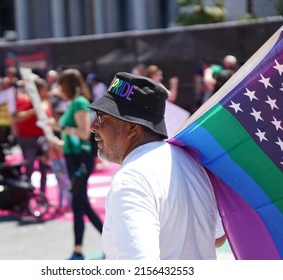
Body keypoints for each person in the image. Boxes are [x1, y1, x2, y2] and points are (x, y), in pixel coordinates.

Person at [88, 72, 223, 260]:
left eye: (103, 118)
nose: (93, 126)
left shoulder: (131, 179)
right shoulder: (190, 162)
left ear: (132, 127)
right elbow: (217, 237)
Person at [48, 68, 103, 260]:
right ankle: (102, 243)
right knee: (81, 203)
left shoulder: (79, 103)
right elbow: (73, 137)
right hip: (74, 157)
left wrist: (59, 127)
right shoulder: (74, 103)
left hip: (80, 159)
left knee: (79, 203)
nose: (59, 89)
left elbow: (83, 133)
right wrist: (57, 138)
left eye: (61, 85)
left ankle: (79, 250)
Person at [14, 77, 52, 197]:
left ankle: (42, 194)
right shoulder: (24, 99)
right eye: (43, 89)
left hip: (42, 139)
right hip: (27, 139)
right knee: (29, 167)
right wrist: (35, 110)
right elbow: (18, 117)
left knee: (44, 168)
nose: (46, 91)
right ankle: (27, 195)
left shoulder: (45, 101)